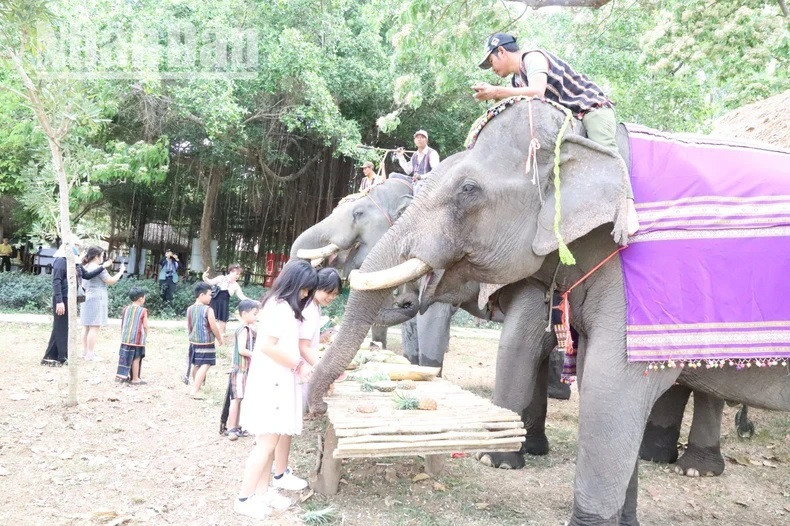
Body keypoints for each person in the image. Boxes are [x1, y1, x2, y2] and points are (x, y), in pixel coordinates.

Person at [472, 32, 639, 236]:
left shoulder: (533, 58)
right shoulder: (517, 82)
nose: (493, 69)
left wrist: (497, 92)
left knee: (605, 153)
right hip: (568, 123)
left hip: (591, 109)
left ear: (502, 51)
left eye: (491, 61)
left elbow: (537, 91)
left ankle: (629, 211)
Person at [234, 260, 317, 519]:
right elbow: (268, 346)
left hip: (278, 378)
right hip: (273, 381)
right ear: (295, 284)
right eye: (305, 289)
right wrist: (299, 365)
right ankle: (244, 498)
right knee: (266, 442)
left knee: (270, 441)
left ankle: (263, 492)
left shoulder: (280, 306)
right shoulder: (279, 307)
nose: (305, 295)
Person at [41, 245, 109, 366]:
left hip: (70, 298)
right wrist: (59, 301)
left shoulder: (75, 263)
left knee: (61, 326)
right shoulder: (61, 261)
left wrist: (102, 267)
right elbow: (56, 282)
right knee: (61, 327)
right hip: (62, 298)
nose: (77, 248)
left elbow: (87, 275)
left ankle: (51, 356)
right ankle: (62, 356)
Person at [80, 246, 126, 362]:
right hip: (97, 297)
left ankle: (85, 351)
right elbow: (110, 281)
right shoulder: (100, 268)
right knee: (94, 327)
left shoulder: (84, 266)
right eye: (102, 255)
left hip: (86, 296)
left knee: (86, 326)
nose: (103, 258)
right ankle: (90, 354)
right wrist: (120, 272)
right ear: (97, 256)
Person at [223, 299, 260, 440]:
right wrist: (256, 355)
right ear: (244, 313)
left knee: (241, 398)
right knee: (236, 399)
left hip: (245, 369)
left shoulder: (250, 329)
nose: (256, 317)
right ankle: (232, 427)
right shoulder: (243, 330)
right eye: (254, 314)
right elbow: (242, 350)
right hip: (240, 369)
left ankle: (237, 426)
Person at [185, 281, 224, 398]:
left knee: (197, 364)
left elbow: (189, 325)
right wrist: (219, 338)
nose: (211, 297)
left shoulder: (189, 309)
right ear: (202, 295)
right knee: (206, 364)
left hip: (193, 341)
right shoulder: (208, 310)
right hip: (206, 342)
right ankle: (195, 390)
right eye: (209, 294)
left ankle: (197, 386)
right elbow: (213, 326)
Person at [202, 263, 250, 337]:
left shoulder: (235, 285)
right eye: (236, 273)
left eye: (239, 274)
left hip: (224, 303)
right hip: (214, 301)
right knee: (210, 318)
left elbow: (242, 296)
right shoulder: (221, 278)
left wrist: (252, 301)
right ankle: (207, 334)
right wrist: (205, 277)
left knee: (223, 320)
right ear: (231, 272)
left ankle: (221, 336)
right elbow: (210, 282)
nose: (238, 276)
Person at [116, 287, 148, 384]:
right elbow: (145, 326)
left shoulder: (125, 309)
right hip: (137, 339)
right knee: (136, 358)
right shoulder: (143, 311)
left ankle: (122, 376)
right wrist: (146, 334)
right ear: (141, 299)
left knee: (125, 357)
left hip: (125, 338)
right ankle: (135, 379)